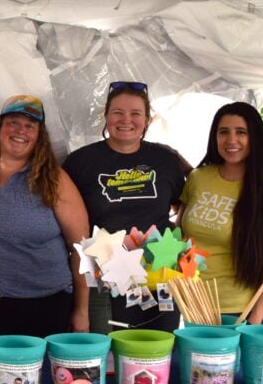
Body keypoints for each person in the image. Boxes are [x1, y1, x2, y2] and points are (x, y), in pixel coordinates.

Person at [0, 95, 90, 339]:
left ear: (39, 136)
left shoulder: (54, 180)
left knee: (41, 377)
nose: (21, 131)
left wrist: (81, 310)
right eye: (13, 122)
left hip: (44, 304)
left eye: (30, 126)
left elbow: (82, 248)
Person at [63, 81, 191, 333]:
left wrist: (178, 237)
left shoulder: (165, 159)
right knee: (106, 358)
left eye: (135, 113)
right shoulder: (80, 162)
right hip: (102, 281)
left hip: (159, 278)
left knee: (155, 353)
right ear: (106, 116)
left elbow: (186, 203)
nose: (126, 120)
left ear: (147, 120)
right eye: (118, 112)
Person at [179, 102, 263, 324]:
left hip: (239, 313)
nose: (231, 140)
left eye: (241, 132)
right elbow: (179, 238)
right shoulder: (198, 178)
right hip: (193, 305)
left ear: (254, 138)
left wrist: (254, 322)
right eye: (223, 132)